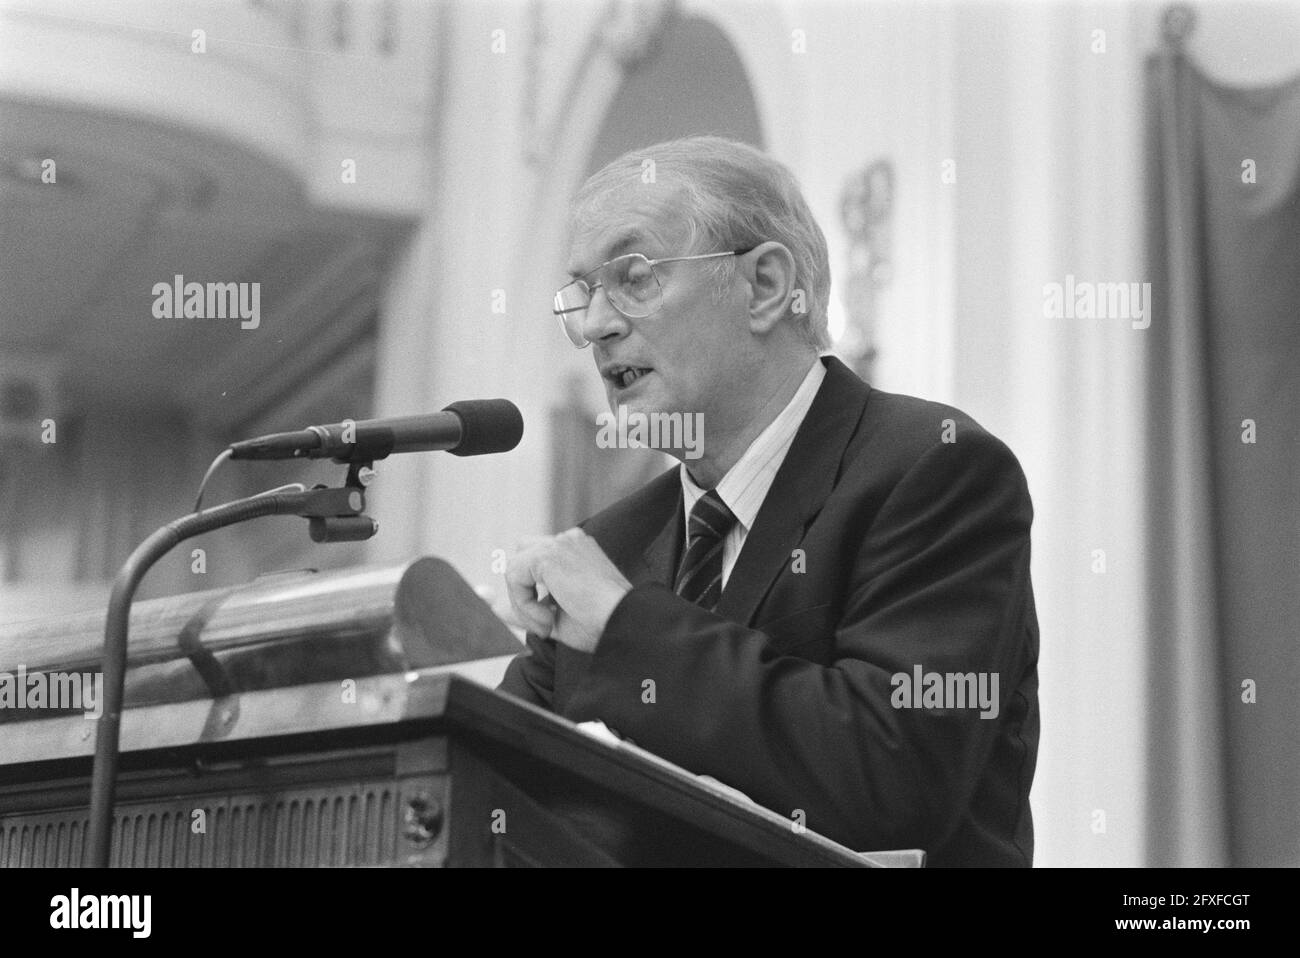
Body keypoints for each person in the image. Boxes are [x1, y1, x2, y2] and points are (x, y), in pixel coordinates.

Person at [498, 135, 1039, 867]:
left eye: (632, 276)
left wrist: (629, 625)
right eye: (583, 292)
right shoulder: (610, 543)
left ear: (762, 286)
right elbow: (495, 788)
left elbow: (894, 775)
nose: (595, 325)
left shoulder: (933, 471)